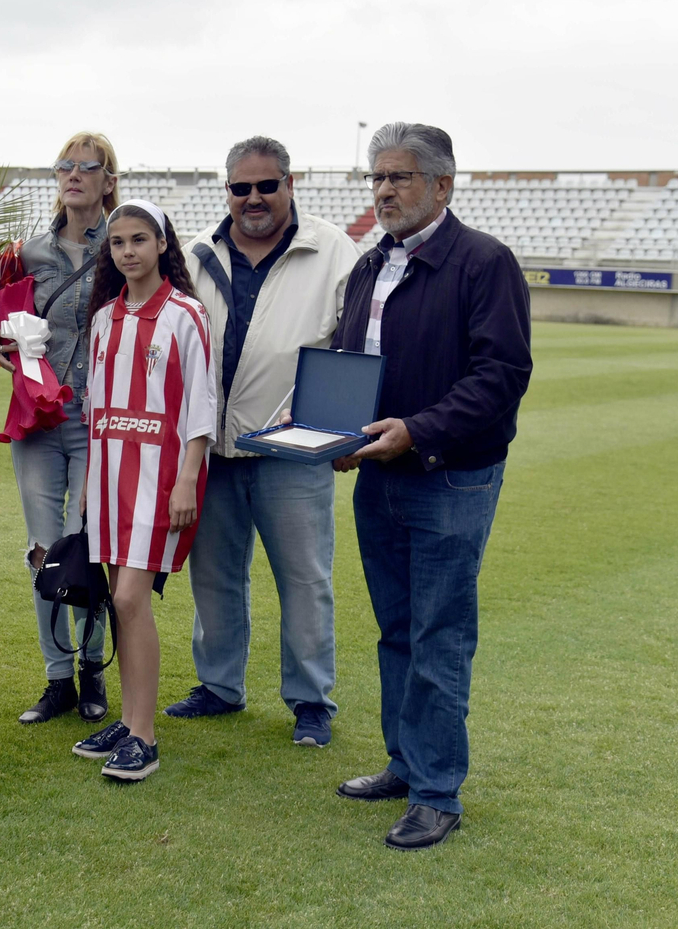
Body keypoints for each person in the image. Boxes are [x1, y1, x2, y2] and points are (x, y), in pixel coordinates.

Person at [329, 123, 532, 849]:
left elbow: (502, 377)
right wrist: (323, 424)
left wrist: (417, 429)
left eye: (399, 177)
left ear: (442, 185)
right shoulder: (369, 266)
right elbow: (351, 365)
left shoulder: (484, 263)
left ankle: (437, 791)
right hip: (378, 476)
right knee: (397, 630)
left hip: (448, 478)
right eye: (376, 177)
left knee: (440, 636)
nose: (383, 190)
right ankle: (405, 763)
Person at [171, 136, 359, 747]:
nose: (253, 198)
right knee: (214, 576)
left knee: (304, 580)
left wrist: (337, 433)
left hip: (290, 451)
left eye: (266, 186)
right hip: (211, 448)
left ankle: (311, 700)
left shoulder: (331, 250)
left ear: (290, 184)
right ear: (226, 190)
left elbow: (355, 349)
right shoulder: (198, 250)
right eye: (240, 187)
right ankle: (220, 686)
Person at [69, 200, 216, 782]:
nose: (128, 251)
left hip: (162, 477)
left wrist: (187, 479)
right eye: (118, 243)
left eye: (139, 240)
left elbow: (202, 404)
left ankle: (145, 739)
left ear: (161, 245)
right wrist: (87, 485)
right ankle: (130, 724)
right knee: (120, 602)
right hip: (109, 475)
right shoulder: (104, 318)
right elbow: (96, 407)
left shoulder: (186, 314)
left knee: (131, 599)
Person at [0, 131, 117, 726]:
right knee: (44, 551)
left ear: (109, 178)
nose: (75, 174)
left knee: (85, 546)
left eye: (90, 166)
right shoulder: (29, 254)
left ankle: (91, 675)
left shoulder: (130, 243)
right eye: (66, 166)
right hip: (38, 422)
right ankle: (56, 677)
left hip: (100, 423)